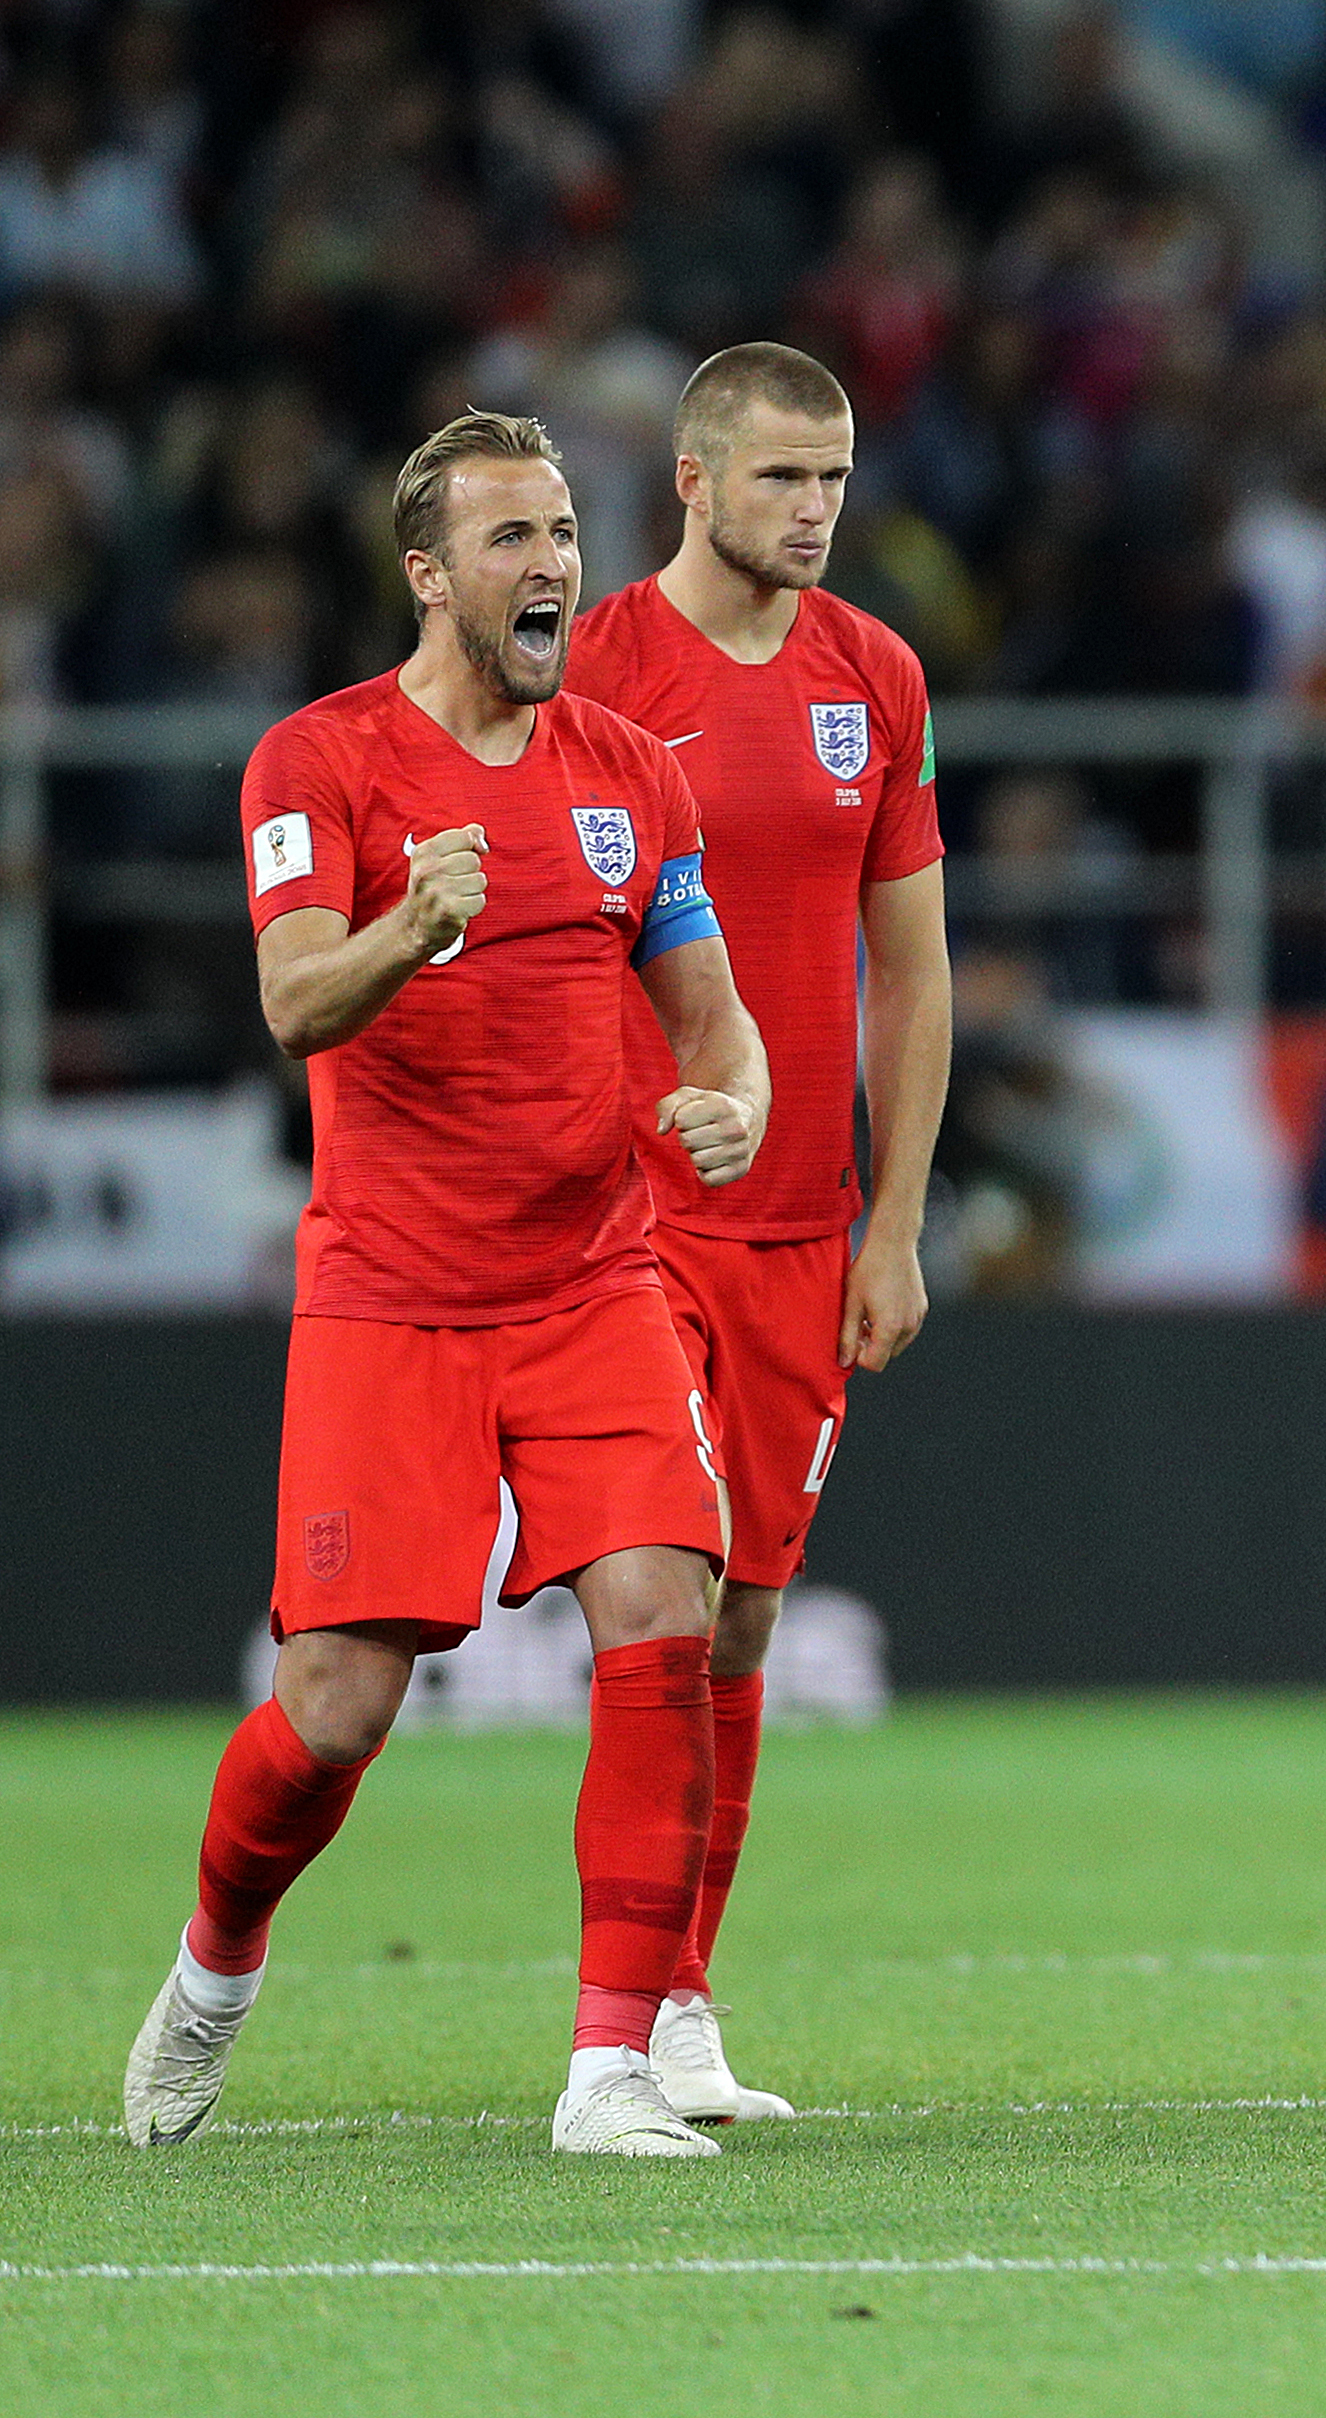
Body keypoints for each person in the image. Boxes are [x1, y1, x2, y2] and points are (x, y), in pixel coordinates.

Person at [123, 411, 771, 2158]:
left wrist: (735, 1103)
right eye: (511, 539)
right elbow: (291, 1003)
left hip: (592, 1283)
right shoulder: (317, 762)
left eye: (563, 531)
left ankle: (606, 2068)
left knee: (665, 1610)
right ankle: (216, 1958)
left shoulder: (633, 770)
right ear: (429, 572)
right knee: (335, 1710)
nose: (553, 562)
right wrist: (410, 927)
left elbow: (714, 1016)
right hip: (390, 1299)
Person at [562, 342, 951, 2129]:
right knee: (674, 1598)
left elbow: (910, 966)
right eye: (781, 478)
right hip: (621, 1227)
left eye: (835, 479)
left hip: (805, 1225)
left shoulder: (876, 675)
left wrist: (896, 1219)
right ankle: (623, 2019)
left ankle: (685, 1996)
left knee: (741, 1627)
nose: (812, 510)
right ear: (692, 482)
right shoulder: (594, 670)